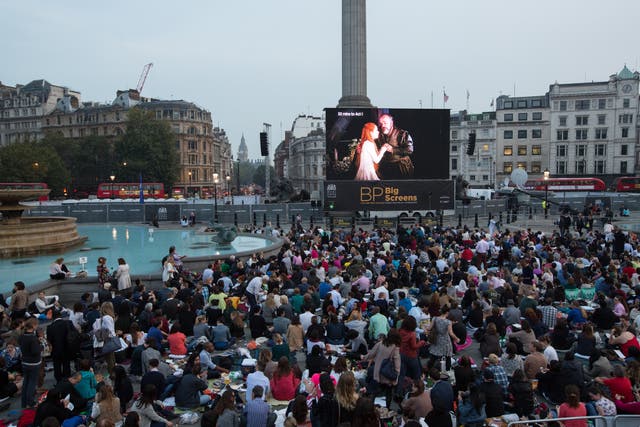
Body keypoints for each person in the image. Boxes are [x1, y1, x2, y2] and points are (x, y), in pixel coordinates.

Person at [365, 329, 401, 408]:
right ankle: (386, 409)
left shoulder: (380, 344)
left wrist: (364, 357)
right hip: (387, 375)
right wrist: (396, 378)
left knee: (374, 392)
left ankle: (371, 408)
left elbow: (371, 354)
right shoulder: (395, 348)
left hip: (377, 373)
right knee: (388, 394)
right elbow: (397, 365)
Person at [376, 113, 414, 180]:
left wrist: (393, 149)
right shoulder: (378, 133)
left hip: (400, 167)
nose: (383, 126)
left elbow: (409, 150)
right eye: (381, 123)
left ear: (391, 123)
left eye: (385, 123)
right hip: (385, 168)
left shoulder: (402, 134)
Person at [19, 317, 41, 408]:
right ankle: (31, 402)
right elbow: (35, 351)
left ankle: (24, 403)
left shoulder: (22, 336)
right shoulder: (32, 338)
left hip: (25, 362)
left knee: (26, 382)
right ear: (33, 326)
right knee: (32, 383)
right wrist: (41, 347)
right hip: (33, 363)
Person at [46, 311, 73, 383]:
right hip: (67, 348)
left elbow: (49, 340)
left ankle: (59, 381)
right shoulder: (68, 323)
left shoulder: (50, 327)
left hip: (55, 350)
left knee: (57, 366)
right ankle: (66, 380)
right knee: (66, 365)